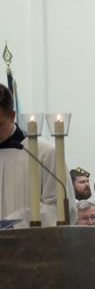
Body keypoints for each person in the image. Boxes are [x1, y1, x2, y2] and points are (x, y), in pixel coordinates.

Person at [0, 84, 57, 227]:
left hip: (29, 246)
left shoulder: (43, 153)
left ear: (12, 116)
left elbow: (59, 208)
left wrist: (18, 221)